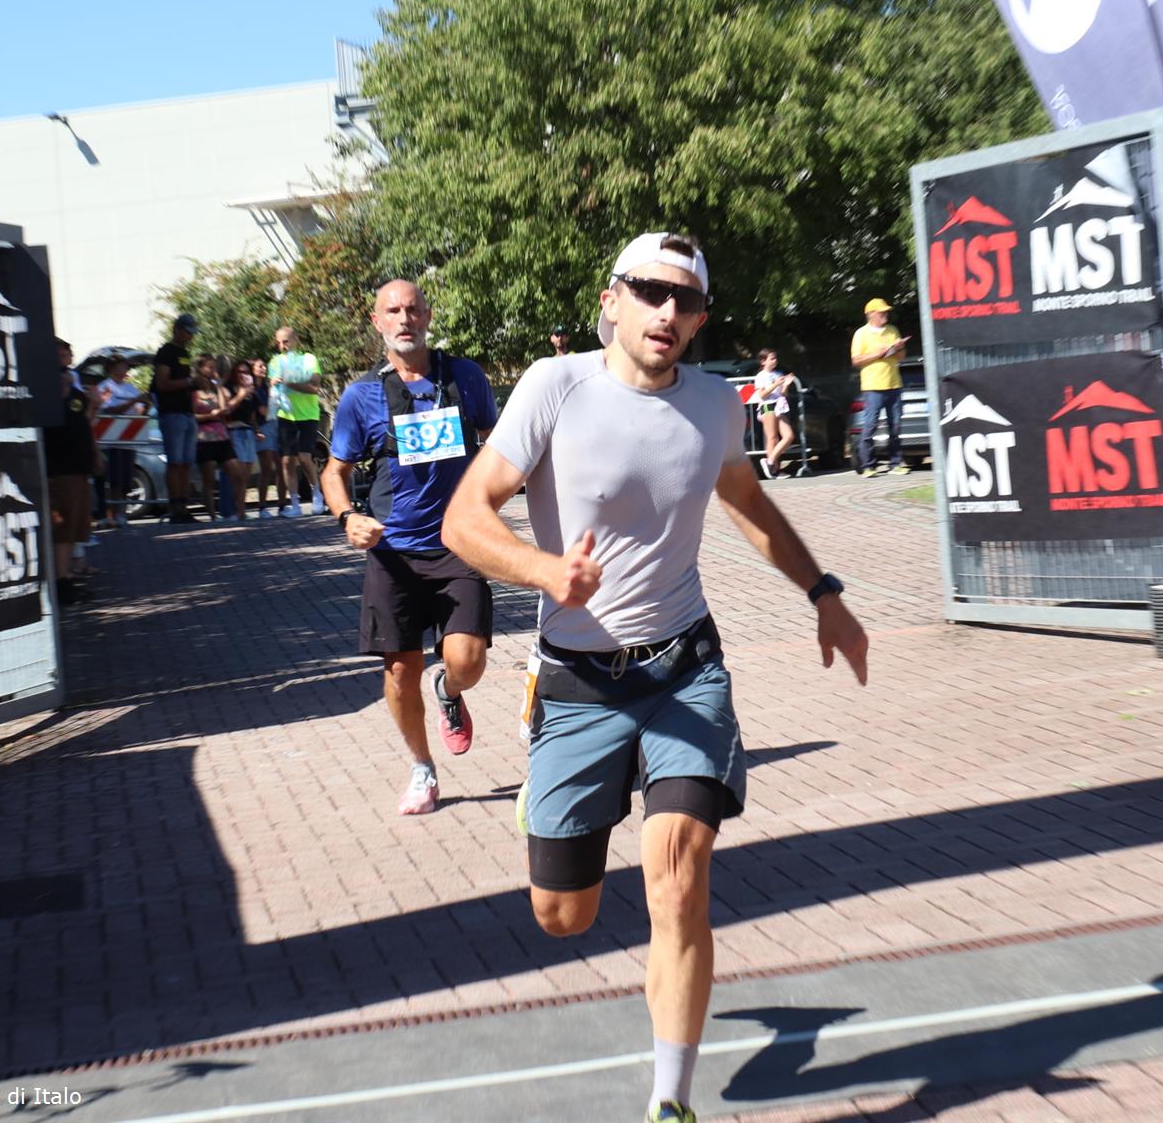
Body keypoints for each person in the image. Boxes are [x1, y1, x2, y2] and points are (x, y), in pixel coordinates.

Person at [443, 231, 869, 1123]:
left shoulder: (716, 404)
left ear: (702, 319)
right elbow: (464, 518)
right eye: (649, 291)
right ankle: (548, 800)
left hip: (685, 671)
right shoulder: (555, 387)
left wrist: (823, 593)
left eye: (686, 300)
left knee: (676, 878)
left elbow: (746, 500)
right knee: (563, 915)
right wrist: (544, 572)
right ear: (612, 299)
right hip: (577, 683)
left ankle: (670, 1100)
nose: (667, 311)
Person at [322, 279, 501, 816]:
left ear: (428, 316)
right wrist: (347, 516)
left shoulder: (465, 377)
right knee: (400, 672)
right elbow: (334, 472)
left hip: (459, 542)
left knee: (467, 659)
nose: (405, 319)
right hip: (393, 553)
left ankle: (450, 691)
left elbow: (499, 443)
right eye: (393, 311)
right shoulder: (361, 396)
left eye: (413, 309)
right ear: (377, 321)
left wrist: (493, 496)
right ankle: (423, 768)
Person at [46, 340, 102, 604]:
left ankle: (66, 577)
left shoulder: (77, 389)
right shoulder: (46, 385)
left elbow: (84, 423)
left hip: (79, 467)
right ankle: (60, 581)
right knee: (63, 527)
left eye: (66, 353)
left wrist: (93, 405)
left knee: (76, 528)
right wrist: (63, 387)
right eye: (58, 353)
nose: (63, 357)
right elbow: (52, 418)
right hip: (60, 467)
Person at [269, 326, 327, 517]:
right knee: (287, 461)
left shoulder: (309, 359)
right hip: (286, 415)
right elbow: (274, 389)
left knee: (304, 457)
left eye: (286, 341)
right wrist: (273, 384)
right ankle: (294, 504)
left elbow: (315, 388)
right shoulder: (275, 361)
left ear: (296, 340)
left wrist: (290, 383)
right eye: (279, 342)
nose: (282, 346)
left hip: (308, 415)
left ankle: (317, 494)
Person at [850, 297, 909, 476]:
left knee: (895, 427)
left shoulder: (893, 330)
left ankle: (895, 464)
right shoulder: (861, 333)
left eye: (886, 311)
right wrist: (878, 354)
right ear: (871, 314)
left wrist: (899, 347)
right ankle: (868, 466)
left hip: (894, 384)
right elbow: (856, 360)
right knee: (870, 427)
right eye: (882, 312)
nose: (885, 314)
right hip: (873, 387)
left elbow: (901, 357)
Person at [154, 314, 201, 522]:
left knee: (186, 463)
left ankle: (184, 507)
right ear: (177, 329)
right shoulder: (166, 352)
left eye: (192, 333)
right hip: (171, 413)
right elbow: (162, 383)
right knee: (175, 462)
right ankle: (175, 509)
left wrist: (195, 384)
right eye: (188, 332)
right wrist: (190, 382)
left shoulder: (184, 353)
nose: (190, 337)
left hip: (187, 413)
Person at [94, 356, 146, 528]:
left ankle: (121, 513)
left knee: (125, 479)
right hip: (110, 441)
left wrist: (143, 405)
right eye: (122, 366)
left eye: (126, 366)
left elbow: (139, 410)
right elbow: (110, 409)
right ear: (112, 368)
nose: (125, 369)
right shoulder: (105, 387)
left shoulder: (131, 387)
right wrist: (133, 401)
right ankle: (108, 515)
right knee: (111, 479)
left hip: (128, 440)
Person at [193, 356, 234, 520]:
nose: (213, 370)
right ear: (200, 368)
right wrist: (210, 415)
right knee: (208, 479)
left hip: (221, 436)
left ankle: (235, 510)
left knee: (235, 471)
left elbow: (224, 408)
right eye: (210, 367)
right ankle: (212, 516)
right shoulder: (193, 391)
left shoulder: (214, 389)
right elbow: (192, 416)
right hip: (204, 438)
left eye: (214, 367)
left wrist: (218, 384)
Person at [749, 348, 798, 480]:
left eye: (775, 358)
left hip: (779, 406)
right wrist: (775, 384)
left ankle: (769, 461)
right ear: (763, 361)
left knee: (789, 436)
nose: (775, 361)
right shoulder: (761, 376)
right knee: (772, 438)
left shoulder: (778, 374)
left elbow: (783, 394)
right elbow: (761, 394)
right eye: (772, 358)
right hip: (768, 406)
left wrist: (786, 385)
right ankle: (775, 470)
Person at [223, 359, 261, 521]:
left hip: (248, 433)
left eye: (246, 372)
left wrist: (257, 430)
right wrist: (240, 395)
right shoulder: (228, 389)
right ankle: (232, 510)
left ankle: (241, 511)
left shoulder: (250, 392)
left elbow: (252, 416)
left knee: (245, 476)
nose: (242, 375)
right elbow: (226, 410)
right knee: (236, 475)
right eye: (239, 372)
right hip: (234, 431)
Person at [251, 358, 288, 517]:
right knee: (266, 467)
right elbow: (262, 411)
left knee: (280, 466)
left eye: (264, 366)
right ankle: (262, 507)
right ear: (252, 369)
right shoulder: (252, 389)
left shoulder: (267, 387)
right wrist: (256, 429)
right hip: (263, 427)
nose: (263, 368)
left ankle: (282, 505)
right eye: (260, 366)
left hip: (275, 426)